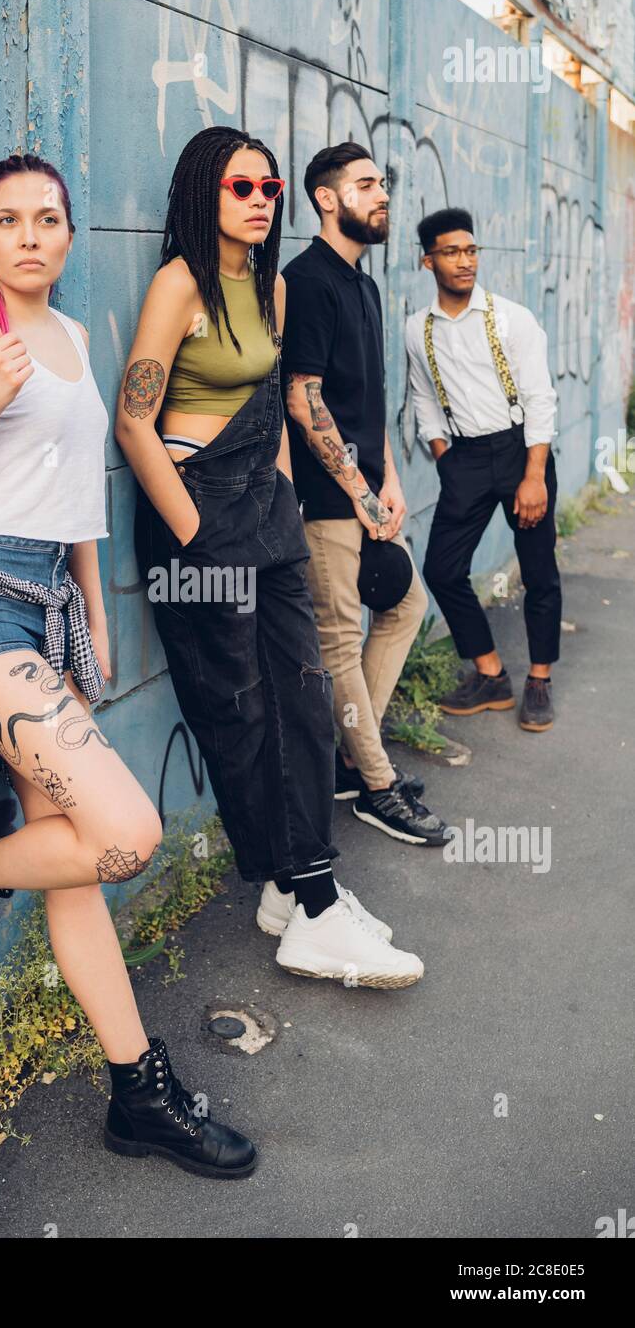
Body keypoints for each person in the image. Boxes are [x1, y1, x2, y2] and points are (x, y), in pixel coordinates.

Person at [0, 152, 257, 1178]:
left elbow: (74, 494)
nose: (29, 236)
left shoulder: (72, 334)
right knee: (127, 834)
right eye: (6, 220)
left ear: (66, 231)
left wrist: (92, 615)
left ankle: (137, 1088)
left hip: (48, 603)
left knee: (76, 863)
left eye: (47, 218)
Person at [117, 125, 425, 988]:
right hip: (201, 523)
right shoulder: (180, 286)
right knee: (245, 716)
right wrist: (189, 530)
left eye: (269, 188)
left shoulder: (271, 291)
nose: (259, 202)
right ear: (202, 196)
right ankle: (310, 902)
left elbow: (272, 410)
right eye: (240, 188)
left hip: (269, 513)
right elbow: (134, 421)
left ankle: (302, 894)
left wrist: (285, 501)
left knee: (305, 700)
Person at [281, 142, 450, 846]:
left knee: (406, 604)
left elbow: (367, 397)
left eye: (383, 182)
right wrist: (356, 490)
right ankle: (377, 787)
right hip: (326, 503)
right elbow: (303, 397)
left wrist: (391, 479)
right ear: (327, 198)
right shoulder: (308, 280)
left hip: (367, 490)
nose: (381, 193)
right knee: (340, 642)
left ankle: (356, 755)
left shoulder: (364, 282)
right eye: (365, 184)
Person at [406, 207, 560, 732]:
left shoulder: (512, 318)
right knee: (442, 570)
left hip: (521, 451)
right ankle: (491, 673)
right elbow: (423, 398)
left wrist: (534, 474)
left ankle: (538, 678)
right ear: (428, 262)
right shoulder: (417, 330)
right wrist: (445, 458)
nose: (466, 261)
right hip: (465, 459)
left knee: (538, 568)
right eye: (451, 252)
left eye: (471, 250)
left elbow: (541, 399)